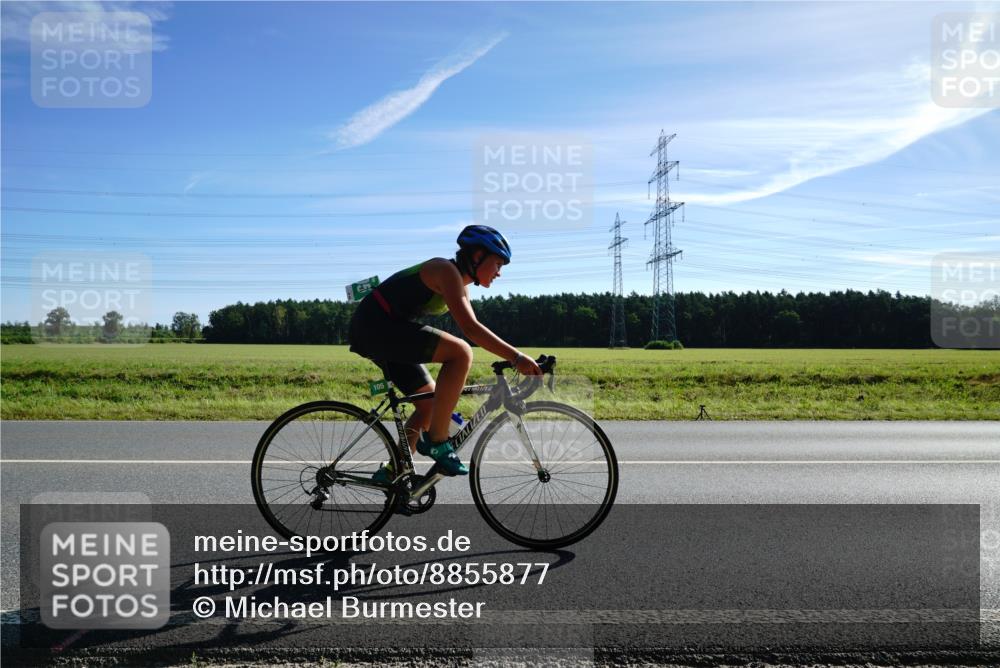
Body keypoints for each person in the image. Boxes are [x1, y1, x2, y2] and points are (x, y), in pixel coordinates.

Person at [348, 225, 542, 477]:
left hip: (385, 330)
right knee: (461, 353)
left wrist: (514, 356)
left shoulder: (460, 283)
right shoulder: (445, 270)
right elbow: (470, 329)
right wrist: (515, 357)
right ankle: (438, 441)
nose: (499, 273)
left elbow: (474, 326)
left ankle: (394, 472)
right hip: (376, 327)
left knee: (429, 406)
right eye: (497, 264)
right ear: (477, 256)